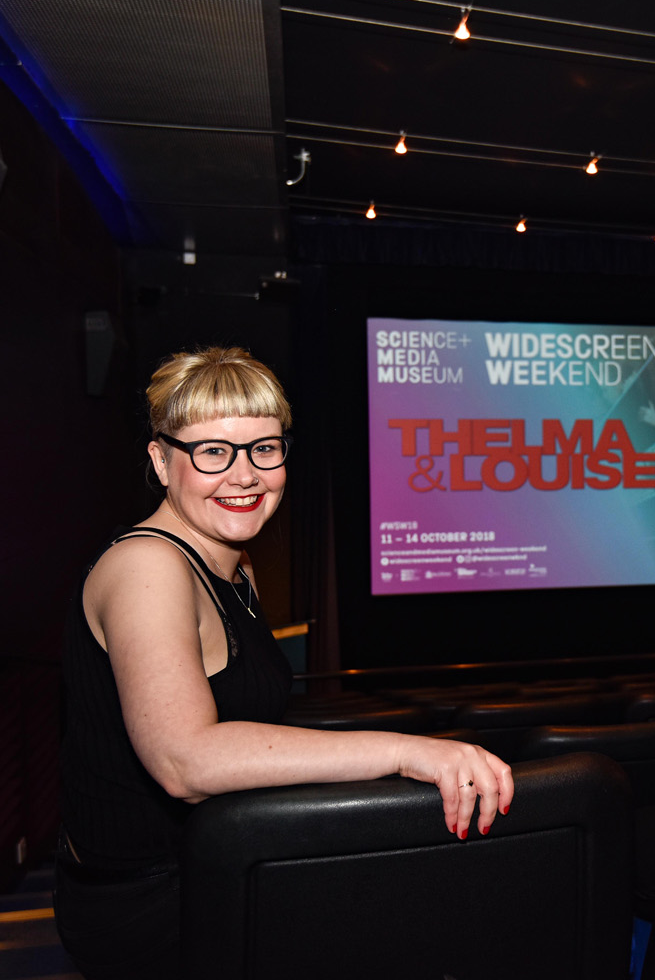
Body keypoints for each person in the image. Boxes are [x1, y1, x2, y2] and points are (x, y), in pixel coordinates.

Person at [55, 347, 514, 979]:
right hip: (148, 899)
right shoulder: (145, 567)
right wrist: (406, 751)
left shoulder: (236, 564)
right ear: (161, 461)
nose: (245, 475)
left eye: (264, 449)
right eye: (213, 452)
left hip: (222, 860)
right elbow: (185, 761)